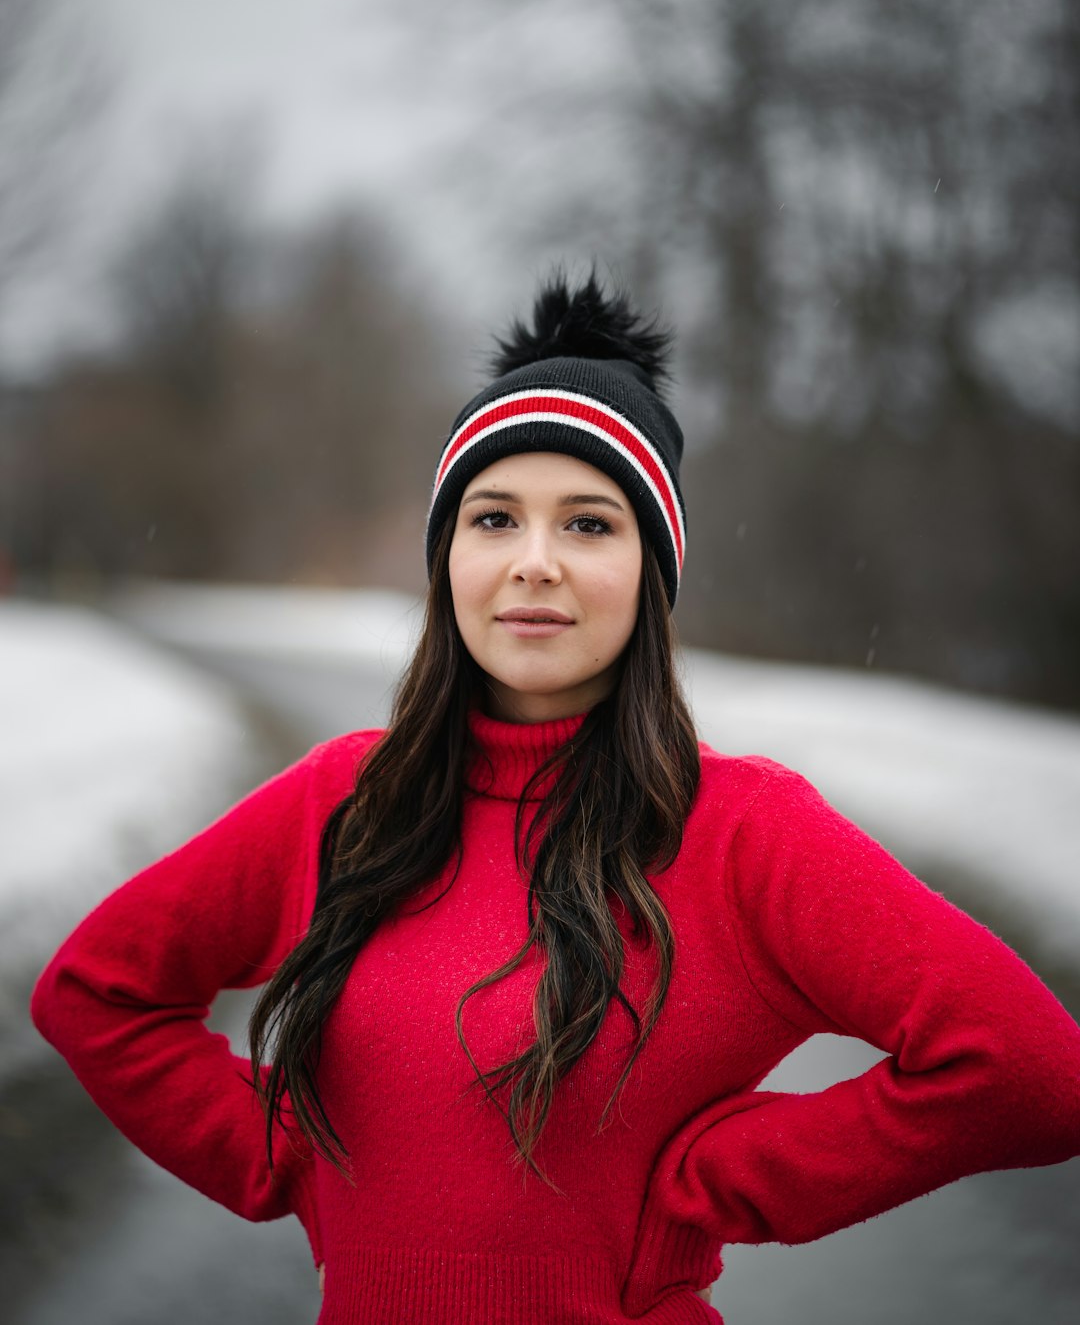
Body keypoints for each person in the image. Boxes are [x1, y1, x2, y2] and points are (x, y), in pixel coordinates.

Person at [30, 267, 1080, 1325]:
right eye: (494, 520)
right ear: (447, 559)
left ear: (650, 572)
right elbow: (97, 993)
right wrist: (298, 1163)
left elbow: (1027, 1072)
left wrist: (723, 1183)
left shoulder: (743, 832)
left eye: (588, 524)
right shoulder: (347, 801)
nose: (535, 564)